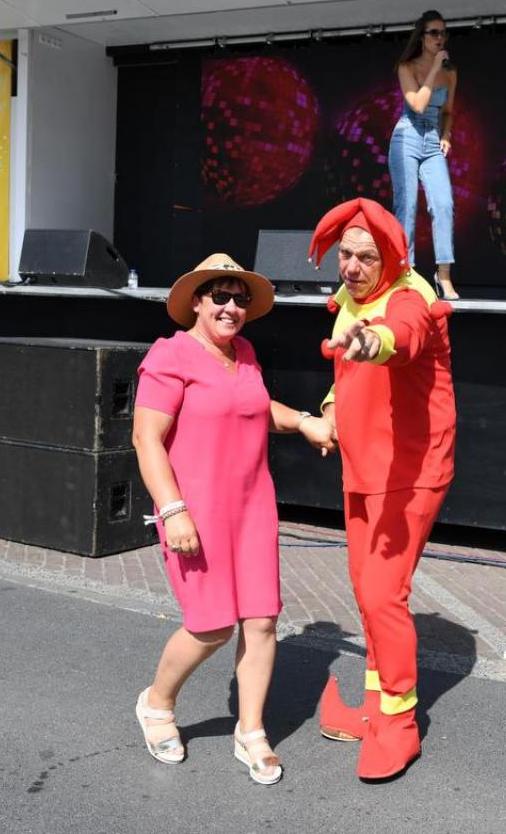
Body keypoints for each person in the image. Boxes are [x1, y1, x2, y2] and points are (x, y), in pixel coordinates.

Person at [131, 253, 335, 786]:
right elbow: (146, 439)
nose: (231, 307)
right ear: (196, 303)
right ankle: (157, 703)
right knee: (211, 625)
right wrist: (173, 510)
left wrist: (304, 422)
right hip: (193, 510)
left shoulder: (243, 354)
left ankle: (251, 732)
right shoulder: (171, 355)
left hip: (252, 507)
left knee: (262, 620)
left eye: (240, 299)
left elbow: (257, 408)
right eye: (219, 296)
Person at [308, 198, 456, 780]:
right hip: (364, 464)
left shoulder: (409, 296)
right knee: (365, 589)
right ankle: (374, 707)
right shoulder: (352, 299)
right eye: (345, 254)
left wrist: (373, 343)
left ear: (391, 258)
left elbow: (401, 336)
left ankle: (399, 723)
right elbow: (346, 374)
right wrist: (330, 411)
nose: (351, 266)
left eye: (365, 257)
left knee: (380, 593)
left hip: (410, 470)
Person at [390, 9, 461, 300]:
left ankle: (443, 275)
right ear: (422, 37)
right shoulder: (406, 67)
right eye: (434, 33)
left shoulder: (451, 73)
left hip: (432, 140)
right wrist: (433, 69)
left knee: (443, 204)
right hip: (407, 137)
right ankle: (405, 272)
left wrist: (446, 135)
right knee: (406, 206)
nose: (440, 38)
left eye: (443, 33)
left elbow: (447, 111)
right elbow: (418, 104)